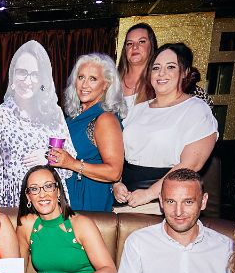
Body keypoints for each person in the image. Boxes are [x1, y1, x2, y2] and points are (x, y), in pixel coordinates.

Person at [112, 42, 218, 214]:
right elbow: (117, 153)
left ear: (184, 72)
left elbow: (191, 164)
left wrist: (149, 194)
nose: (161, 73)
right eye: (156, 68)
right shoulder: (137, 109)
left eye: (170, 67)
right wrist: (116, 183)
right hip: (124, 197)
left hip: (165, 201)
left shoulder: (197, 109)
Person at [0, 40, 76, 208]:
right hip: (14, 204)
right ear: (12, 75)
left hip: (50, 203)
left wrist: (48, 157)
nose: (27, 80)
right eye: (22, 72)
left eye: (34, 74)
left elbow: (69, 166)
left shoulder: (54, 113)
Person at [117, 169, 232, 273]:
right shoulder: (138, 242)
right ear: (161, 201)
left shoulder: (226, 248)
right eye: (171, 201)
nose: (178, 212)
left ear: (203, 201)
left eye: (188, 202)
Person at [17, 165, 116, 273]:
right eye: (34, 189)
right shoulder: (26, 225)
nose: (42, 194)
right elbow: (17, 272)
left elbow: (110, 272)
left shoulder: (81, 224)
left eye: (48, 186)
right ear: (28, 196)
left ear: (58, 191)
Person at [50, 53, 126, 211]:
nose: (84, 85)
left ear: (106, 85)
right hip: (67, 198)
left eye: (93, 79)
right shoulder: (73, 117)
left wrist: (71, 163)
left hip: (89, 199)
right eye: (81, 77)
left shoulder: (105, 119)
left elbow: (114, 172)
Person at [117, 22, 158, 110]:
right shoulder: (111, 81)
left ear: (151, 46)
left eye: (141, 41)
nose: (135, 47)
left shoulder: (158, 81)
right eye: (129, 43)